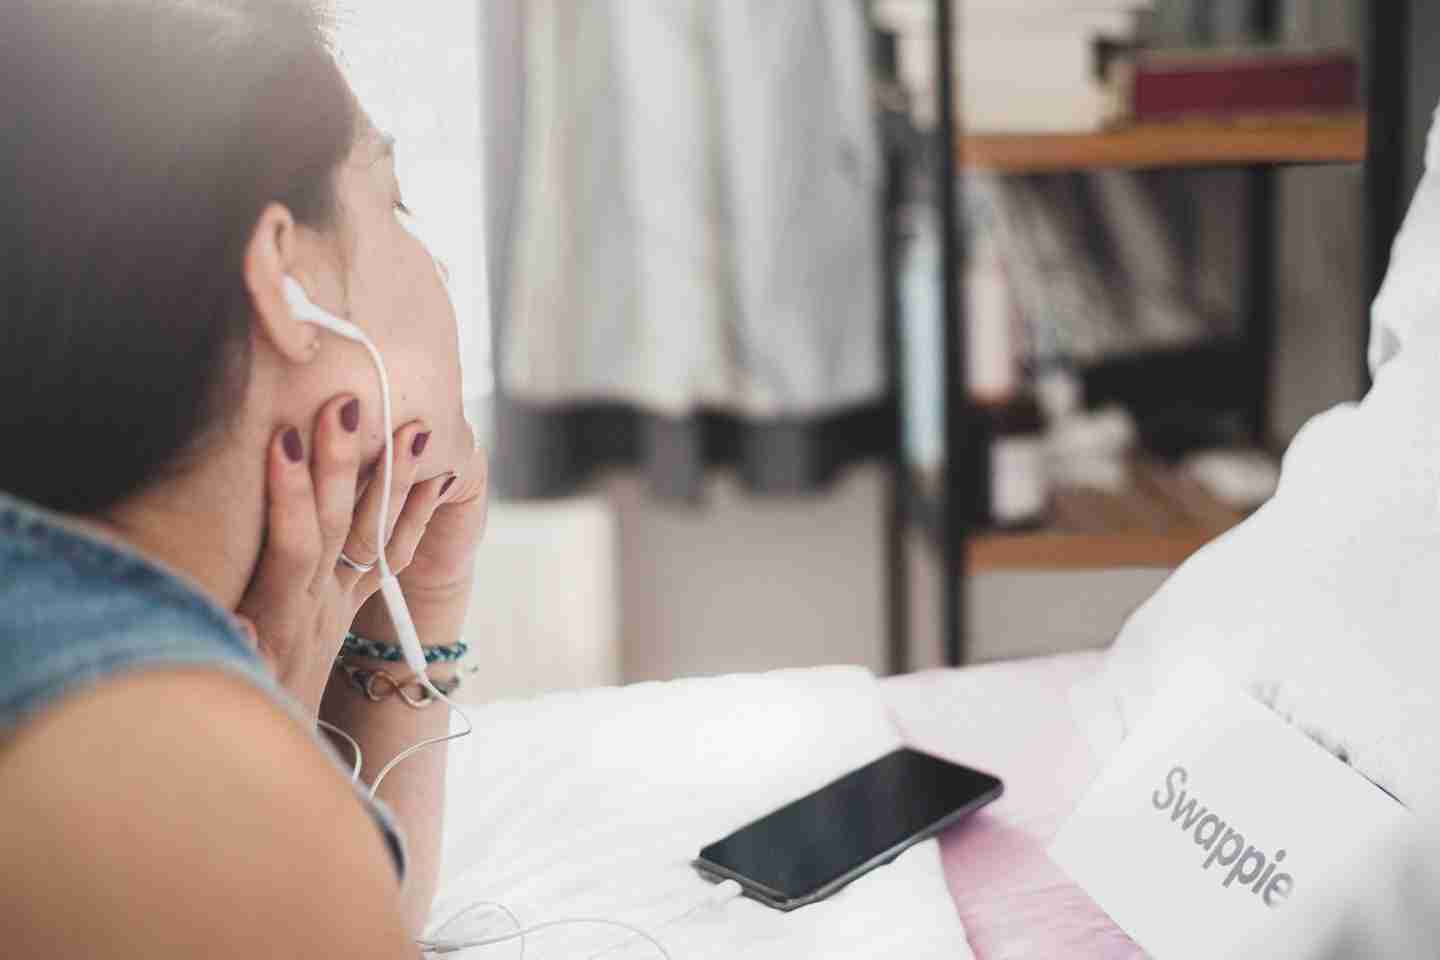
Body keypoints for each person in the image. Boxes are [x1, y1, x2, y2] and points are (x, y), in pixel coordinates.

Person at [0, 1, 486, 955]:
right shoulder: (157, 770)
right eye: (393, 204)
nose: (435, 266)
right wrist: (254, 759)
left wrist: (417, 605)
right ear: (284, 274)